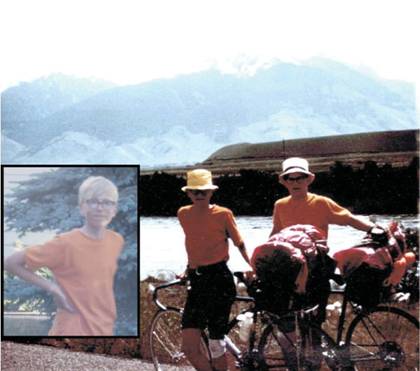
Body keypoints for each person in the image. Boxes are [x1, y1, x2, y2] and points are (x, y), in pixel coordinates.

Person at [269, 157, 378, 369]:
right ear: (283, 181)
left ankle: (314, 366)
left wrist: (372, 229)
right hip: (289, 270)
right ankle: (295, 365)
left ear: (309, 179)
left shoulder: (320, 202)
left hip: (316, 269)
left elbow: (348, 218)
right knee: (288, 324)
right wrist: (261, 259)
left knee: (313, 329)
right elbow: (275, 233)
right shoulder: (280, 205)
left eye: (300, 177)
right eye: (290, 178)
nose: (295, 182)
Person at [4, 176, 124, 336]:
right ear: (82, 207)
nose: (100, 208)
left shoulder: (116, 241)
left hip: (104, 329)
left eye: (107, 202)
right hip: (72, 329)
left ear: (114, 209)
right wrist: (53, 288)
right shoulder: (65, 243)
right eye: (93, 201)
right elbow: (11, 263)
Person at [177, 169, 252, 371]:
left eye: (204, 191)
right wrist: (187, 269)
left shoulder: (223, 214)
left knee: (215, 343)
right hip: (197, 280)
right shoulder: (183, 214)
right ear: (188, 193)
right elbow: (193, 243)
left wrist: (252, 267)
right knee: (189, 346)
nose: (199, 195)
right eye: (195, 191)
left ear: (211, 192)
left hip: (220, 279)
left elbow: (240, 243)